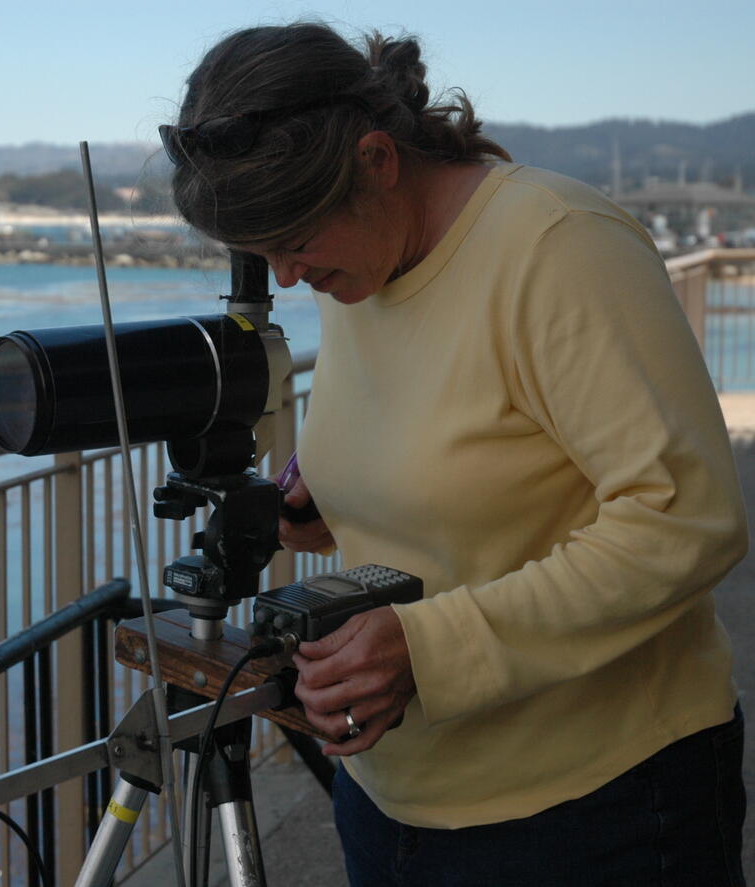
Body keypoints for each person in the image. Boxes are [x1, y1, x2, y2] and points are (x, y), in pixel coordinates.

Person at [161, 23, 747, 886]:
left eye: (295, 238)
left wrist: (429, 649)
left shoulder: (558, 245)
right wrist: (333, 490)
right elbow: (458, 436)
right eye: (262, 251)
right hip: (390, 796)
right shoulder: (358, 259)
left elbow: (687, 519)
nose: (284, 275)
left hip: (597, 805)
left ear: (376, 159)